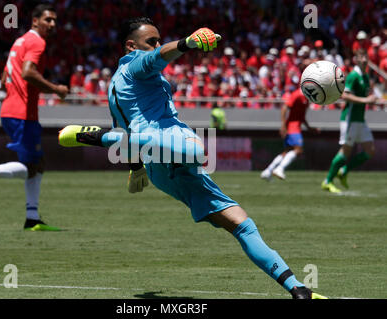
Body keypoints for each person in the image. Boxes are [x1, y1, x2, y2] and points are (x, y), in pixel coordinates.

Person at [58, 17, 327, 299]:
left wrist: (136, 166)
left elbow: (127, 124)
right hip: (171, 144)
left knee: (242, 223)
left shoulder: (119, 88)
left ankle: (297, 289)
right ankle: (96, 136)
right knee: (197, 148)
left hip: (162, 167)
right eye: (151, 40)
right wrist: (188, 42)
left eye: (159, 39)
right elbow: (156, 58)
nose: (157, 45)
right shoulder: (134, 65)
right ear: (130, 46)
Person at [0, 4, 68, 231]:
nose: (52, 25)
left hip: (13, 111)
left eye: (55, 20)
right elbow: (28, 72)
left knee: (38, 164)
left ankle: (32, 217)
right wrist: (56, 89)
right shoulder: (37, 42)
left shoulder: (18, 42)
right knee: (31, 166)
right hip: (22, 114)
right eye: (48, 20)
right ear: (35, 21)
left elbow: (3, 79)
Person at [322, 49, 384, 193]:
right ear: (356, 59)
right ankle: (327, 181)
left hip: (360, 120)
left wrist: (374, 101)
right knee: (345, 152)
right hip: (349, 119)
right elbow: (345, 96)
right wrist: (365, 100)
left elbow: (367, 98)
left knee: (370, 151)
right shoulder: (353, 76)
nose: (364, 59)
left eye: (366, 57)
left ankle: (343, 171)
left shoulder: (366, 77)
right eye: (361, 57)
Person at [261, 85, 319, 181]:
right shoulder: (297, 94)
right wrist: (283, 125)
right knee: (298, 150)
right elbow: (284, 108)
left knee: (287, 152)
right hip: (293, 127)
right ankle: (280, 169)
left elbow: (301, 117)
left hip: (294, 126)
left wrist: (309, 128)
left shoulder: (306, 97)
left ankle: (268, 171)